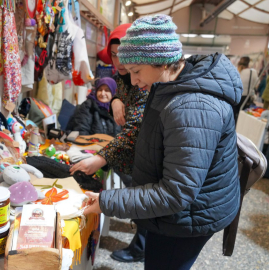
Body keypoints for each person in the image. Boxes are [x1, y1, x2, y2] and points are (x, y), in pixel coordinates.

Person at [82, 14, 242, 270]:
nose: (132, 80)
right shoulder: (170, 84)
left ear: (161, 61)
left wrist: (107, 202)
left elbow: (176, 192)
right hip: (175, 212)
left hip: (188, 219)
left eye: (135, 71)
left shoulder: (191, 106)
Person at [70, 23, 149, 263]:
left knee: (146, 197)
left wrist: (102, 158)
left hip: (147, 155)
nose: (118, 61)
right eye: (114, 55)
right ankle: (143, 239)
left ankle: (142, 245)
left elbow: (135, 127)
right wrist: (115, 99)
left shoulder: (143, 80)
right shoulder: (123, 78)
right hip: (135, 153)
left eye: (123, 55)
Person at [233, 56, 258, 121]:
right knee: (242, 117)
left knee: (233, 115)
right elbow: (256, 84)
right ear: (248, 63)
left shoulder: (236, 70)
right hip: (246, 98)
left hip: (235, 96)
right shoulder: (253, 72)